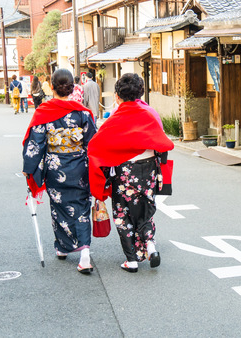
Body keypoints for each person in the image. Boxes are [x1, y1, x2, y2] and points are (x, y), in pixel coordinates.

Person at [88, 73, 174, 273]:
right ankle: (150, 246)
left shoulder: (114, 118)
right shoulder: (148, 115)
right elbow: (163, 143)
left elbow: (95, 146)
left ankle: (131, 260)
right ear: (140, 93)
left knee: (122, 213)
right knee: (145, 209)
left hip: (124, 170)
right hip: (148, 168)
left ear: (117, 96)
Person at [22, 69, 97, 274]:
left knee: (59, 207)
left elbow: (35, 144)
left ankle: (63, 248)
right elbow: (92, 142)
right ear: (71, 88)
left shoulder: (44, 112)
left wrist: (29, 168)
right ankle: (84, 256)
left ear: (52, 86)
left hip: (56, 168)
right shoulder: (81, 112)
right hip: (79, 166)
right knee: (82, 208)